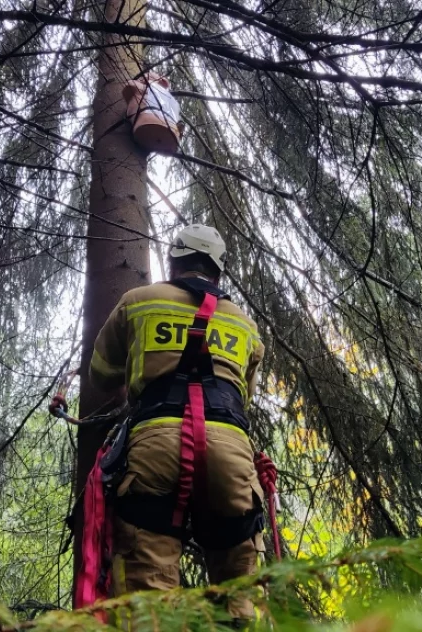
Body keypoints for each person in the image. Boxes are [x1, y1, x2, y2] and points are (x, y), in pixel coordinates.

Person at [89, 224, 266, 620]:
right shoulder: (245, 325)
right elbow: (243, 397)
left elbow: (101, 374)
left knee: (148, 595)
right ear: (217, 271)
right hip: (230, 450)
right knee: (237, 585)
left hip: (155, 445)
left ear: (173, 264)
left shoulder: (138, 301)